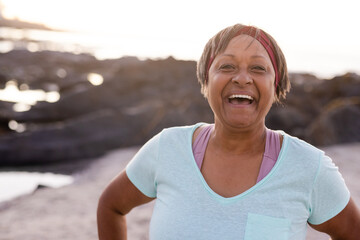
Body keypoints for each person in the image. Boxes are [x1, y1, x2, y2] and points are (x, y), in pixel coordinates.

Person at [97, 23, 360, 239]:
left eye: (258, 68)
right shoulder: (167, 148)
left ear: (276, 85)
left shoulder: (309, 167)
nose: (242, 78)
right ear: (206, 80)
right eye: (226, 66)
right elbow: (111, 206)